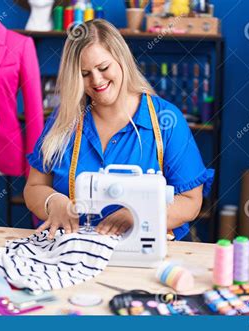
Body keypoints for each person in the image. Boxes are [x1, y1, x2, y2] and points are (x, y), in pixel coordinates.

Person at [24, 19, 214, 241]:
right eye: (84, 74)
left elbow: (191, 201)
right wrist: (53, 202)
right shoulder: (64, 121)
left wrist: (140, 215)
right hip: (76, 251)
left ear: (121, 60)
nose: (96, 80)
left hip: (145, 254)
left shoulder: (165, 121)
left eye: (103, 68)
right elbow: (34, 186)